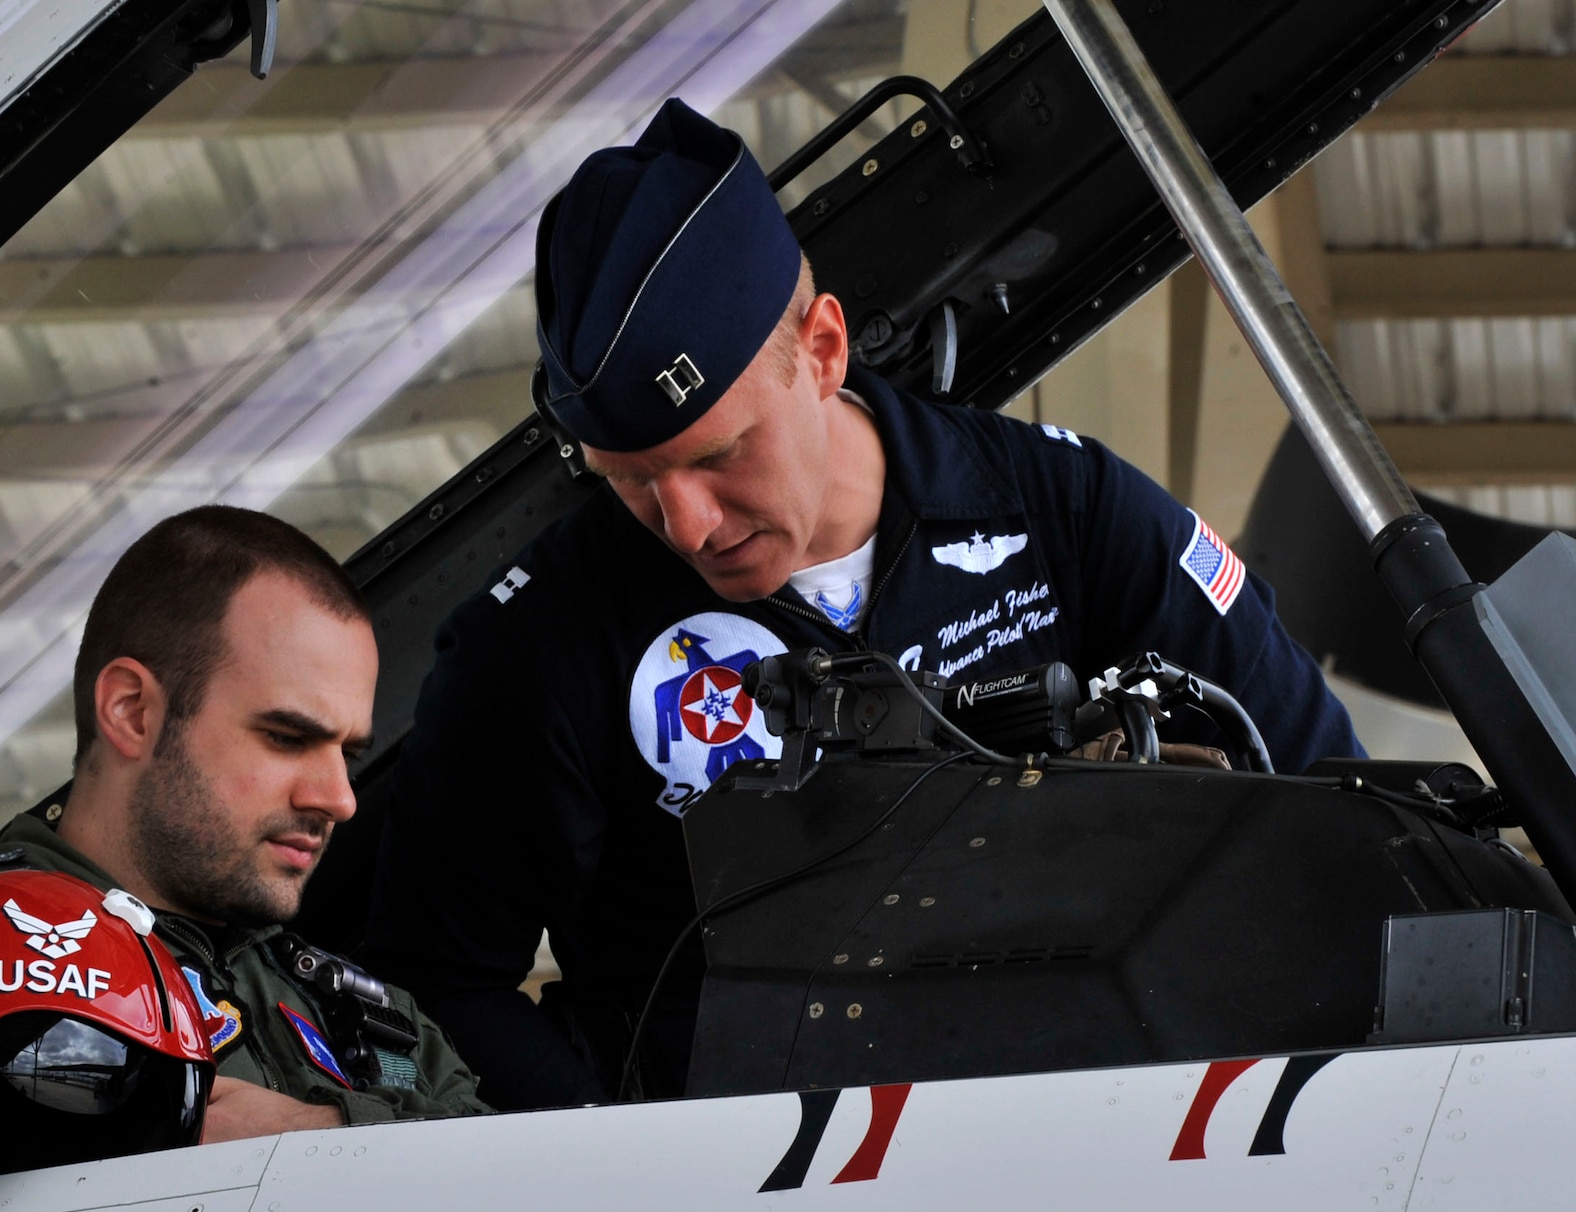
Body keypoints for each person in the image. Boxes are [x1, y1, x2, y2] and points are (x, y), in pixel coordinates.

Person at [364, 98, 1362, 1111]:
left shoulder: (1060, 508)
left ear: (824, 347)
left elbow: (1338, 806)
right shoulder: (538, 642)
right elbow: (433, 979)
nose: (687, 523)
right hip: (739, 1208)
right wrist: (625, 1149)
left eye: (717, 454)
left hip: (1086, 1132)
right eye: (626, 479)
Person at [0, 506, 490, 1139]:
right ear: (133, 712)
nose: (339, 798)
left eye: (347, 754)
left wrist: (322, 1129)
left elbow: (502, 1169)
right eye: (285, 737)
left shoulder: (367, 1014)